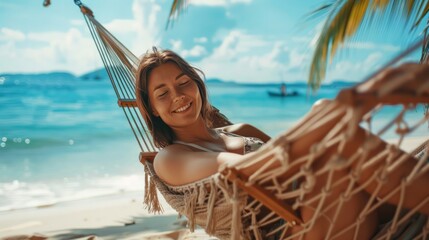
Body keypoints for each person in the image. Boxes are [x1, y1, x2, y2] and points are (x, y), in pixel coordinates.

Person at [135, 47, 429, 239]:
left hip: (339, 204)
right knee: (338, 141)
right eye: (162, 93)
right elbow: (250, 168)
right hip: (302, 229)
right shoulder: (170, 159)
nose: (178, 96)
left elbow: (299, 166)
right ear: (152, 109)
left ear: (197, 84)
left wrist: (327, 117)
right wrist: (345, 106)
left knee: (339, 143)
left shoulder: (239, 131)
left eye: (183, 82)